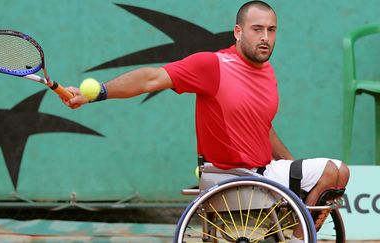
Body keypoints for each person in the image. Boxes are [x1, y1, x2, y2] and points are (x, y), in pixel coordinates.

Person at [64, 0, 349, 241]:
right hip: (234, 174)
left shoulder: (266, 70)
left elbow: (261, 125)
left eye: (271, 30)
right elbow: (151, 78)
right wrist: (98, 93)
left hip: (264, 173)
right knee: (331, 168)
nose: (265, 37)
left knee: (338, 172)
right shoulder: (212, 65)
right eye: (257, 29)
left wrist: (289, 164)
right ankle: (301, 238)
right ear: (238, 32)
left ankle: (297, 236)